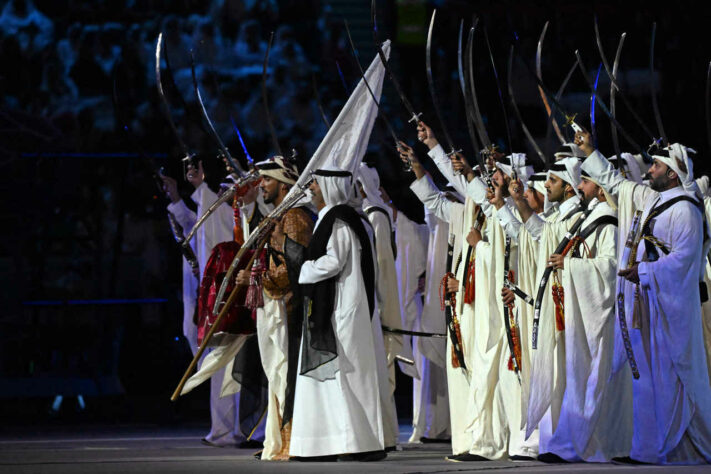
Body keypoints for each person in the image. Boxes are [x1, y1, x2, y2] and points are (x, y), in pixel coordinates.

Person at [577, 131, 711, 464]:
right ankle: (648, 447)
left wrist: (645, 272)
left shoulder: (687, 210)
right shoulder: (652, 199)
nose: (649, 170)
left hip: (672, 307)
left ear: (673, 172)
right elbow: (616, 183)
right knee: (646, 377)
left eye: (656, 165)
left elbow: (684, 259)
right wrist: (591, 150)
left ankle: (685, 447)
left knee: (673, 374)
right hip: (646, 302)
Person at [289, 165, 385, 461]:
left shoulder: (340, 220)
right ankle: (333, 441)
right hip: (339, 306)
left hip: (344, 307)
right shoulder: (336, 217)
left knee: (347, 373)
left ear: (329, 187)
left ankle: (355, 442)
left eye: (316, 184)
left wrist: (302, 269)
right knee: (338, 375)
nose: (312, 188)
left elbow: (333, 262)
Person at [236, 156, 314, 460]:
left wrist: (258, 279)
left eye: (266, 180)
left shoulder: (295, 217)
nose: (262, 185)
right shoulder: (283, 214)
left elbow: (295, 269)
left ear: (283, 184)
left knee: (286, 374)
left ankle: (290, 442)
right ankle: (279, 441)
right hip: (283, 309)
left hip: (292, 310)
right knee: (279, 374)